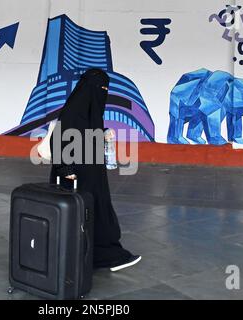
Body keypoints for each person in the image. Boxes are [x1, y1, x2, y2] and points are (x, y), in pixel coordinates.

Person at [49, 68, 141, 272]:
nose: (103, 93)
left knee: (94, 211)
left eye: (106, 89)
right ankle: (104, 256)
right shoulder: (75, 109)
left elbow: (86, 134)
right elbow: (60, 137)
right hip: (76, 174)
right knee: (89, 213)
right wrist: (65, 168)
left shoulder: (88, 110)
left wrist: (103, 134)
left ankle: (97, 255)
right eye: (101, 88)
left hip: (91, 171)